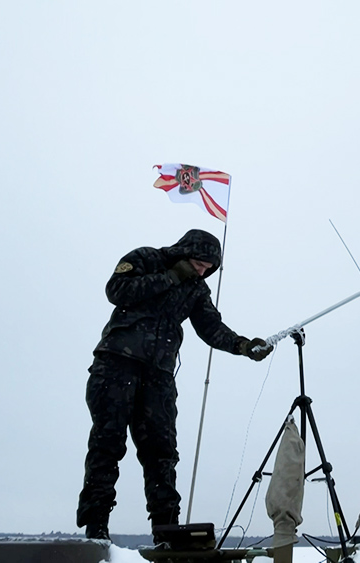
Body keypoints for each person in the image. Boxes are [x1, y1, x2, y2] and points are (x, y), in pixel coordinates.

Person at [76, 229, 272, 542]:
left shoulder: (196, 289)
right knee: (107, 443)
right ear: (183, 252)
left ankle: (166, 531)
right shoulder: (145, 258)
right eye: (197, 263)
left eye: (208, 268)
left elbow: (210, 327)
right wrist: (169, 278)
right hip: (116, 364)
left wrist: (243, 346)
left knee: (162, 452)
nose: (202, 271)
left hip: (159, 376)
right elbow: (117, 290)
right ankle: (96, 526)